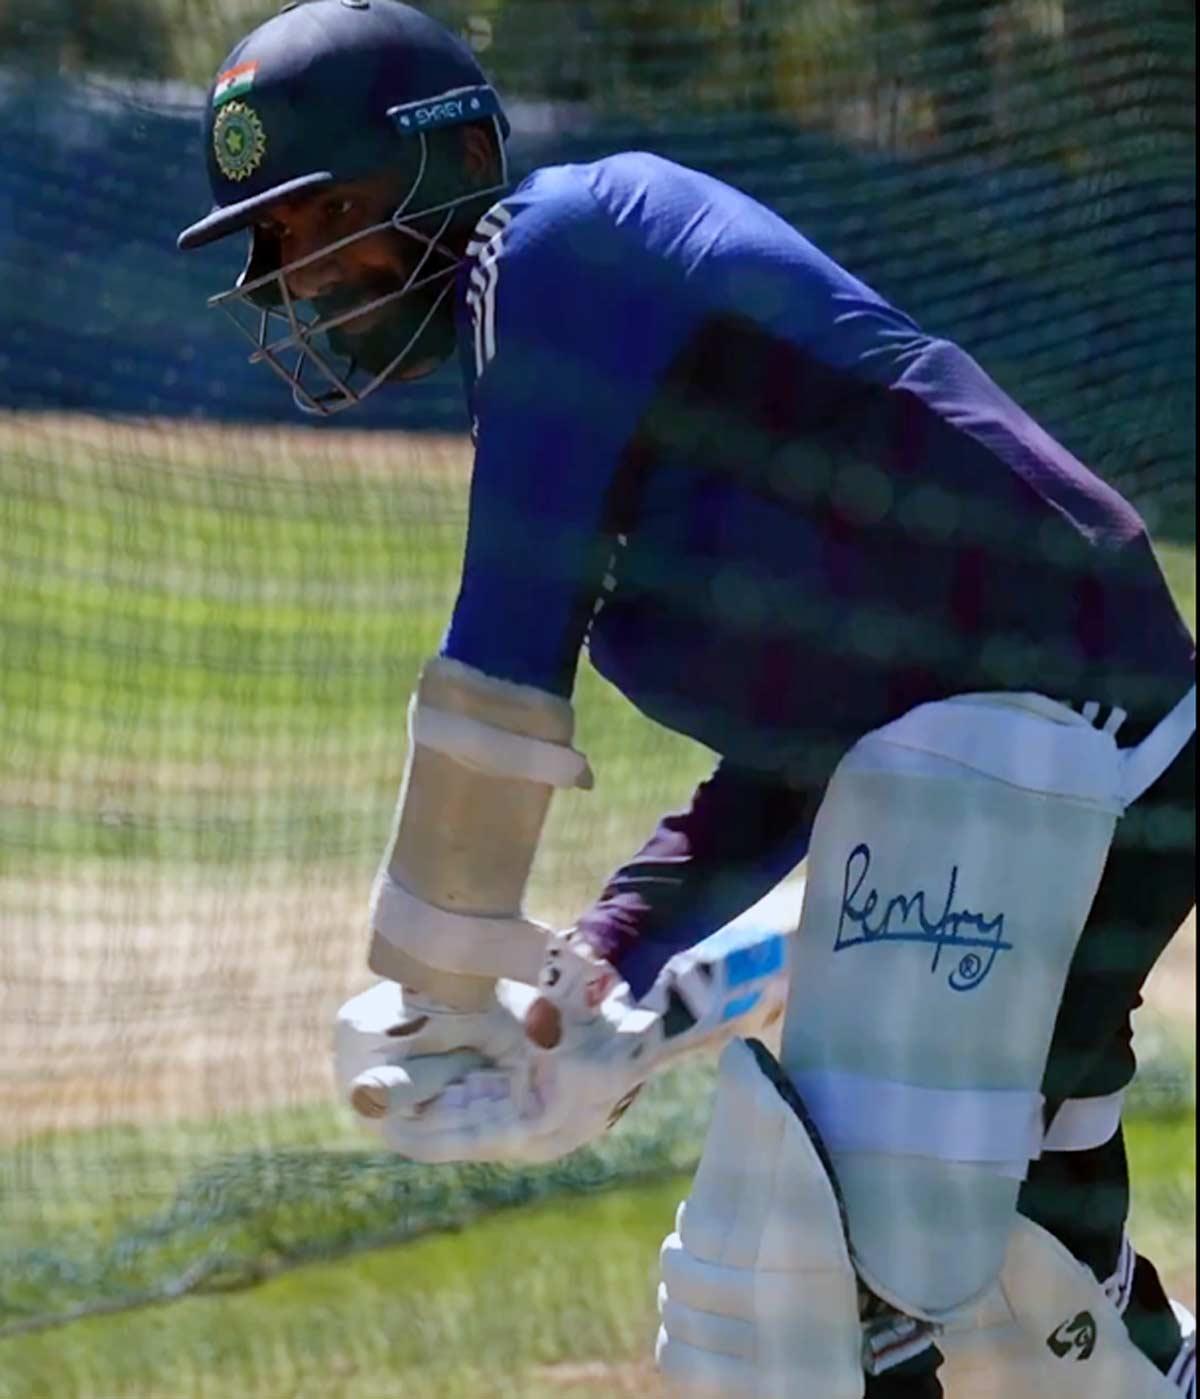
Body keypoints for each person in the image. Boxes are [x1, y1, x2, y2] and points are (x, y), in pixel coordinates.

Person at [179, 3, 1197, 1394]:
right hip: (1022, 757)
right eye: (279, 246)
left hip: (1073, 735)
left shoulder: (554, 250)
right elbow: (804, 759)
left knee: (837, 1266)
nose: (304, 276)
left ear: (447, 160)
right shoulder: (592, 388)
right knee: (970, 1268)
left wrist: (440, 972)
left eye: (327, 215)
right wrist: (597, 968)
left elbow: (502, 656)